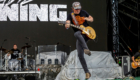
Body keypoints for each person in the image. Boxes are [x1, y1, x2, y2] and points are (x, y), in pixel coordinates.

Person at [65, 1, 93, 79]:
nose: (78, 10)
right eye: (76, 9)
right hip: (80, 36)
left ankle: (86, 48)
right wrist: (67, 25)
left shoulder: (83, 12)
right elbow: (67, 23)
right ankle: (87, 72)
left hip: (87, 33)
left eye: (79, 9)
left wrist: (87, 18)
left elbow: (91, 19)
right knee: (80, 55)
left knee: (76, 34)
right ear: (72, 9)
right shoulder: (71, 15)